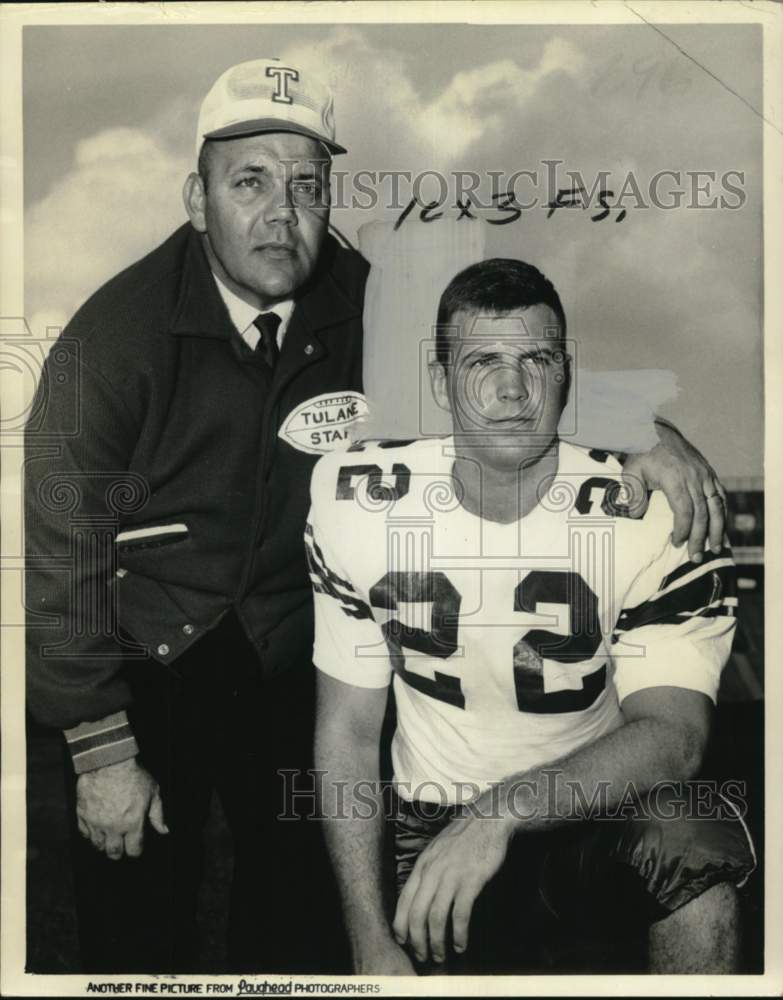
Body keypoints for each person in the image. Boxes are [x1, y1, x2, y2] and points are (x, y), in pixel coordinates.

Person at [25, 57, 729, 973]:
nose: (282, 211)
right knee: (138, 923)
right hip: (150, 654)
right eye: (249, 182)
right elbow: (58, 554)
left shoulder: (364, 299)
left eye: (306, 185)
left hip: (289, 650)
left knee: (301, 921)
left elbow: (502, 368)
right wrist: (99, 748)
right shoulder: (110, 340)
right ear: (195, 199)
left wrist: (651, 431)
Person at [309, 258, 755, 975]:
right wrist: (367, 935)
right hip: (427, 820)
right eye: (483, 361)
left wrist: (499, 814)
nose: (511, 390)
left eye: (536, 360)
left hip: (591, 815)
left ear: (565, 375)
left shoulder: (651, 506)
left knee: (692, 843)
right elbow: (348, 728)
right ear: (439, 379)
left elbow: (673, 737)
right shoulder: (358, 497)